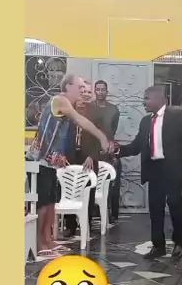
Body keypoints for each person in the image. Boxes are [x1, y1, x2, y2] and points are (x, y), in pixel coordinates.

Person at [116, 85, 182, 259]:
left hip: (174, 169)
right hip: (154, 170)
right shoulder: (145, 121)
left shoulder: (178, 116)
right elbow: (136, 146)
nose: (143, 102)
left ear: (159, 99)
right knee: (155, 208)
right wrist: (118, 150)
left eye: (147, 98)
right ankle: (158, 245)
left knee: (174, 203)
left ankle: (179, 242)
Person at [26, 75, 110, 259]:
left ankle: (48, 241)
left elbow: (59, 135)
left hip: (50, 161)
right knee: (43, 204)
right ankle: (41, 244)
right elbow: (81, 121)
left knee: (51, 203)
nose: (83, 90)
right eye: (79, 87)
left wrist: (61, 155)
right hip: (39, 161)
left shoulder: (66, 104)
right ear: (67, 86)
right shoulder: (60, 100)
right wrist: (102, 137)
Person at [64, 81, 101, 237]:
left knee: (88, 192)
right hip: (70, 158)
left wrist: (91, 156)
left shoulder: (96, 114)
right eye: (82, 92)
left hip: (89, 159)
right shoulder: (67, 112)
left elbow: (101, 139)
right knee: (69, 191)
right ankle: (70, 226)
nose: (85, 95)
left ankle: (86, 224)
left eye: (88, 93)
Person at [91, 80, 121, 223]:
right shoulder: (89, 108)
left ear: (107, 91)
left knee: (112, 182)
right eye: (98, 89)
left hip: (108, 150)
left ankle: (113, 214)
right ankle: (93, 212)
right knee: (92, 181)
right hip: (91, 150)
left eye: (103, 89)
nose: (100, 92)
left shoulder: (113, 110)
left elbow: (113, 129)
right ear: (94, 91)